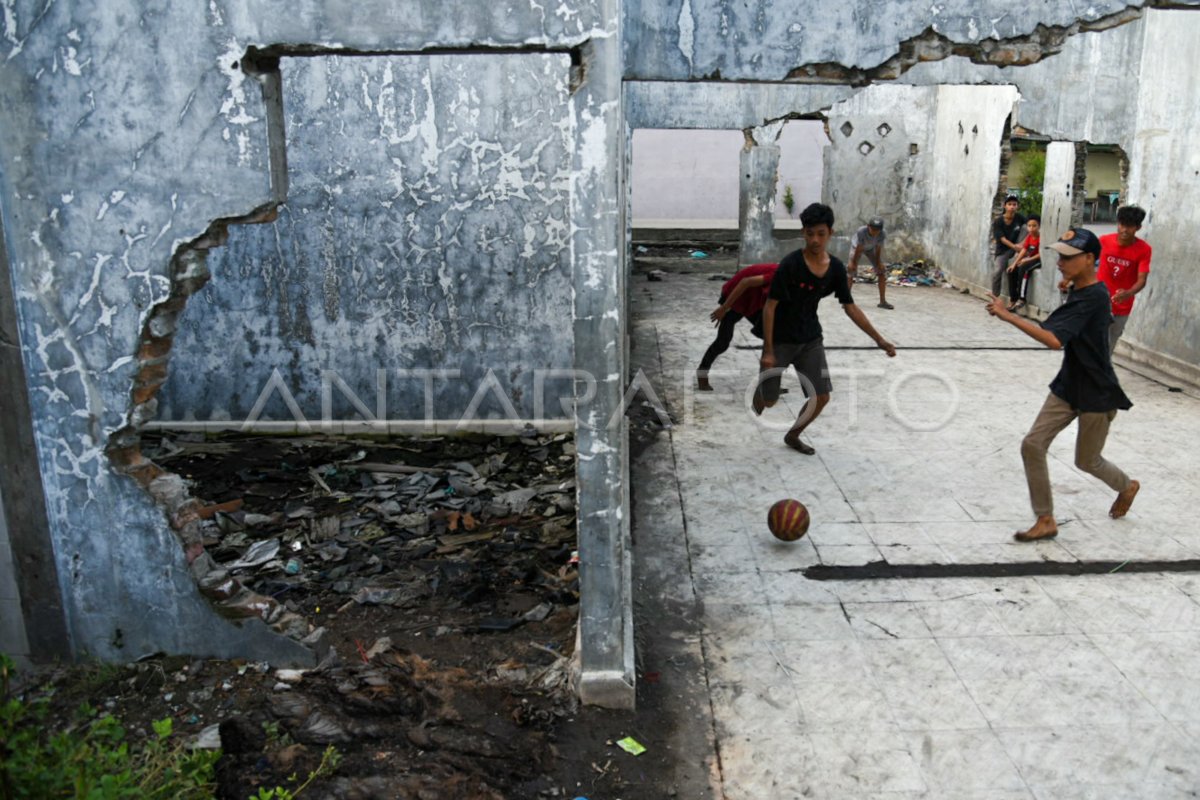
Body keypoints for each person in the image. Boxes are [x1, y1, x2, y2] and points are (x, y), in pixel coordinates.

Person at [985, 227, 1139, 542]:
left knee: (1087, 460)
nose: (1060, 262)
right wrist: (1069, 283)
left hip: (1097, 391)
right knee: (1032, 444)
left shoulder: (1092, 297)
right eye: (1060, 255)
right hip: (1069, 384)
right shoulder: (1083, 291)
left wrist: (1008, 316)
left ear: (1089, 259)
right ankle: (1046, 519)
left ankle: (1127, 486)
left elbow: (1054, 340)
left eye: (1069, 258)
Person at [756, 203, 896, 454]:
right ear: (804, 233)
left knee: (821, 397)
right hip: (780, 339)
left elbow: (850, 307)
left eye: (821, 233)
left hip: (810, 339)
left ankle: (793, 435)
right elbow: (770, 306)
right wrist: (768, 351)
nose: (815, 240)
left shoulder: (835, 269)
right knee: (769, 400)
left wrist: (879, 340)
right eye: (810, 234)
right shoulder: (791, 264)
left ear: (830, 233)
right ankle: (762, 393)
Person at [696, 262, 778, 391]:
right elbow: (745, 282)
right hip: (735, 296)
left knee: (773, 339)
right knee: (723, 341)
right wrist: (724, 308)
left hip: (753, 299)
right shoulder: (779, 274)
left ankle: (769, 384)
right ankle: (702, 373)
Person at [1098, 205, 1151, 354]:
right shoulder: (1103, 241)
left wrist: (1128, 293)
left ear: (1138, 227)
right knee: (1100, 342)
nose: (1124, 230)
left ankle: (1100, 373)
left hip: (1123, 306)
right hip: (1100, 301)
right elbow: (1085, 262)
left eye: (1129, 227)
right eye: (1121, 225)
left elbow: (1142, 280)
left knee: (1110, 345)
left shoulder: (1144, 249)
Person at [848, 217, 893, 309]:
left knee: (881, 272)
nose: (875, 232)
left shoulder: (882, 234)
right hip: (856, 248)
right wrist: (853, 263)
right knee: (850, 272)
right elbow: (859, 248)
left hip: (871, 249)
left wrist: (878, 263)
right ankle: (846, 302)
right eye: (873, 229)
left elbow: (878, 249)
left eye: (877, 230)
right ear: (868, 226)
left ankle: (882, 302)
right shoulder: (861, 231)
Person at [991, 194, 1026, 298]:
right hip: (1003, 250)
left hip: (1017, 248)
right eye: (1009, 204)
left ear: (1017, 206)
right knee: (997, 271)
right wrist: (1015, 247)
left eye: (1014, 204)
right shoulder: (998, 221)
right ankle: (995, 297)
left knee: (1027, 227)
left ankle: (1015, 298)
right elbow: (1002, 239)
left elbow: (1032, 227)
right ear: (1005, 206)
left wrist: (1022, 244)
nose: (1012, 207)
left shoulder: (1020, 218)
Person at [1006, 214, 1041, 311]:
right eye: (1029, 226)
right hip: (1029, 259)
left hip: (1037, 260)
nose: (1031, 228)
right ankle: (1013, 299)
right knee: (1011, 270)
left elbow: (1042, 254)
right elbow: (1024, 250)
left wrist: (1027, 259)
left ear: (1039, 226)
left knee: (1024, 269)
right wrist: (1014, 263)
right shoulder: (1029, 236)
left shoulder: (1041, 237)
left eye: (1034, 226)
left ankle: (1022, 298)